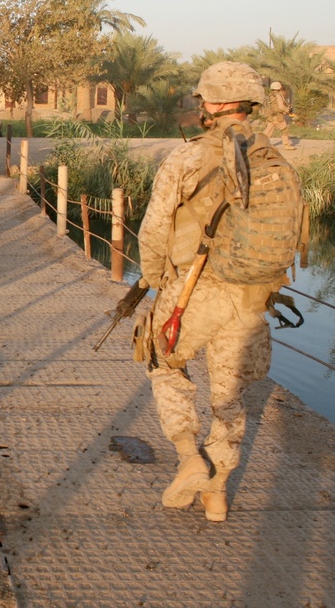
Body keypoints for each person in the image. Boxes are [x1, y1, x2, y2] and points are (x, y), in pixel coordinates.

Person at [136, 61, 291, 522]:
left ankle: (189, 459)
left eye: (203, 98)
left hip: (194, 291)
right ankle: (218, 491)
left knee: (162, 361)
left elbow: (154, 230)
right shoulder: (275, 160)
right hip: (252, 296)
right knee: (229, 395)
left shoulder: (187, 158)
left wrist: (155, 280)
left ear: (215, 103)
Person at [263, 81, 296, 150]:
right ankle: (286, 145)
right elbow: (281, 107)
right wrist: (287, 110)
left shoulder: (270, 96)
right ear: (279, 88)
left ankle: (260, 143)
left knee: (268, 131)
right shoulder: (278, 96)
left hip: (271, 116)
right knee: (284, 129)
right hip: (278, 116)